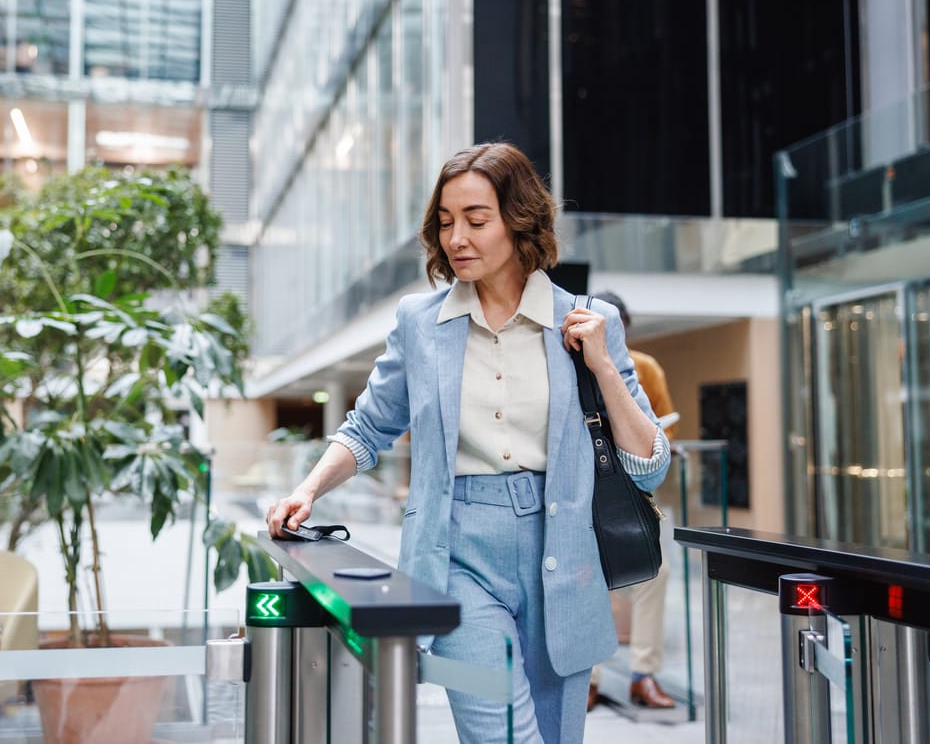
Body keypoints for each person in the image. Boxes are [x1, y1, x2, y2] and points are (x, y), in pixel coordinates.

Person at [265, 142, 671, 744]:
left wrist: (604, 367)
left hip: (565, 556)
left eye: (476, 221)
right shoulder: (418, 323)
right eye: (446, 222)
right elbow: (369, 425)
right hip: (455, 557)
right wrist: (308, 489)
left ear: (519, 221)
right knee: (502, 733)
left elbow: (649, 467)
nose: (457, 237)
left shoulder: (589, 320)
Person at [586, 291, 678, 712]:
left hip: (636, 490)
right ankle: (587, 677)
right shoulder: (570, 360)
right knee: (587, 581)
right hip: (584, 492)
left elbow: (663, 433)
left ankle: (644, 674)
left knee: (655, 574)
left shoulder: (646, 368)